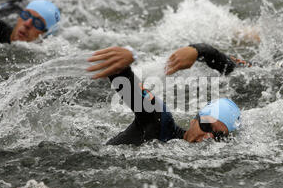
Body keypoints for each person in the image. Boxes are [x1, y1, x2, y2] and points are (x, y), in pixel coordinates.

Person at [85, 46, 242, 145]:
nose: (208, 137)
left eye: (218, 136)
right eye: (207, 126)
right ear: (195, 119)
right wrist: (124, 63)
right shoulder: (160, 123)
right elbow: (132, 93)